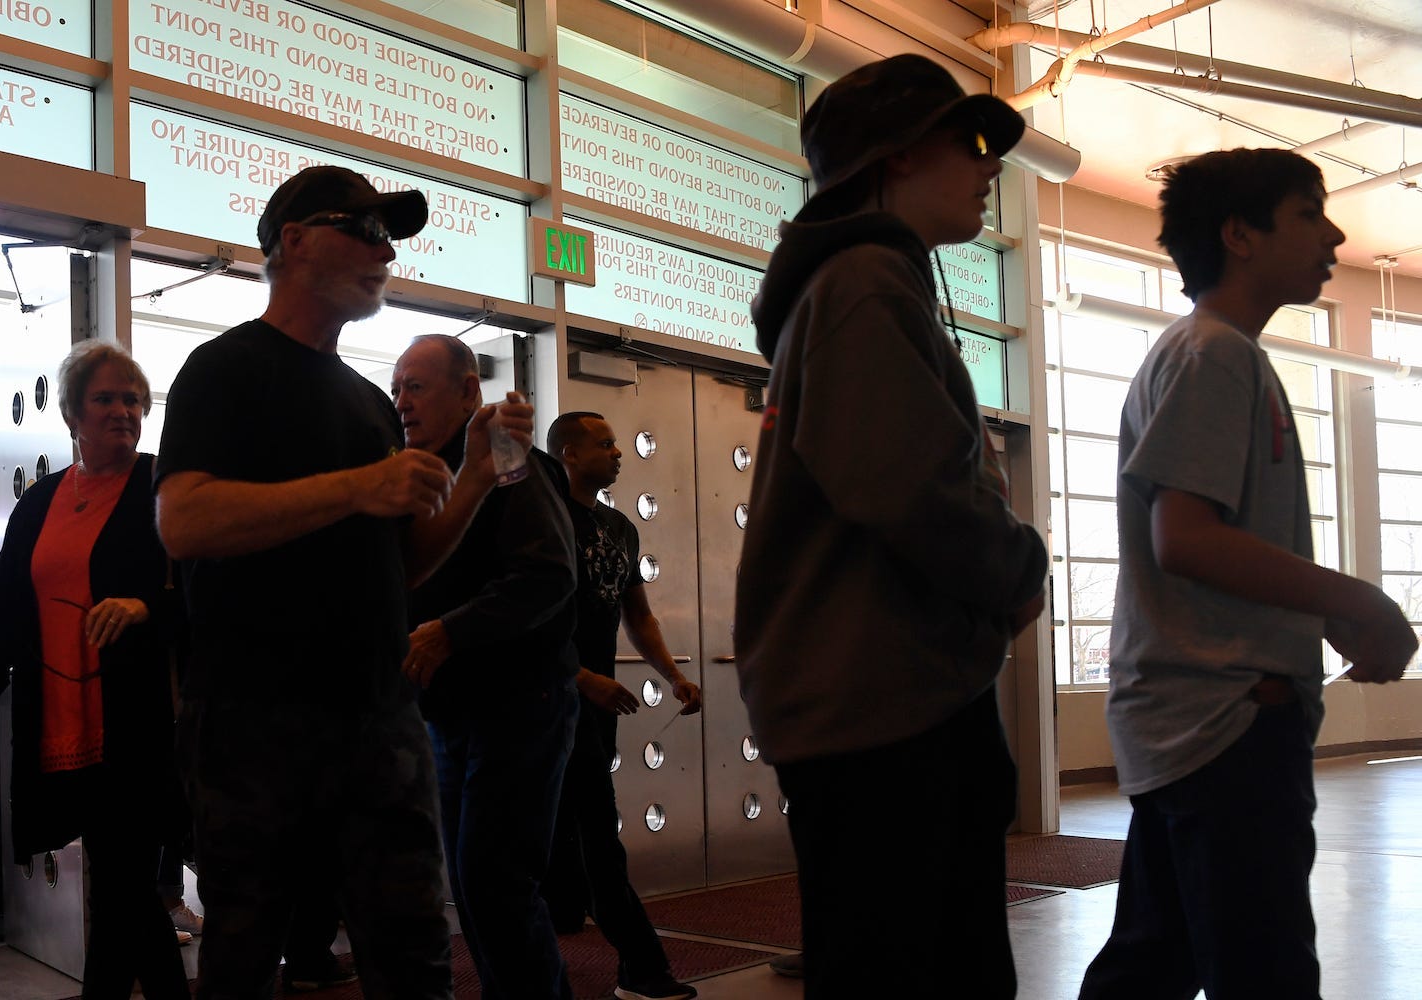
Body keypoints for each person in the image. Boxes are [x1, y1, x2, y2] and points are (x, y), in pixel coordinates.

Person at [154, 164, 533, 1000]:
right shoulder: (225, 370)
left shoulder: (364, 403)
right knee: (245, 955)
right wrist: (357, 488)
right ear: (291, 242)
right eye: (361, 230)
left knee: (413, 955)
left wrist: (469, 476)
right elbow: (184, 520)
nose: (382, 252)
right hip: (255, 718)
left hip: (376, 715)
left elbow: (397, 570)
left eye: (388, 238)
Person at [732, 54, 1048, 999]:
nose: (991, 166)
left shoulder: (863, 283)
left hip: (882, 697)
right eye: (973, 142)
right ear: (900, 156)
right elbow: (911, 492)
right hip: (881, 708)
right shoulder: (867, 282)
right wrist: (1021, 571)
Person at [1076, 148, 1416, 1000]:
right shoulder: (1213, 355)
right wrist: (1358, 599)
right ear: (1240, 235)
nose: (1334, 232)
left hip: (1204, 719)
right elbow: (1185, 539)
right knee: (1260, 972)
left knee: (1155, 962)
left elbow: (1214, 542)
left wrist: (1314, 616)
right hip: (1223, 723)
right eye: (1308, 212)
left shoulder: (1219, 356)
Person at [0, 341, 189, 999]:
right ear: (72, 415)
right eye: (105, 399)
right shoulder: (39, 501)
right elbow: (4, 601)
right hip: (56, 721)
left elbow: (205, 592)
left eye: (132, 400)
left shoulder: (161, 487)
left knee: (123, 880)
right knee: (121, 888)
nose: (122, 411)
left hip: (135, 719)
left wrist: (146, 607)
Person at [395, 334, 579, 1000]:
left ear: (470, 392)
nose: (402, 402)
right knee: (473, 887)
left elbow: (549, 573)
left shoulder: (503, 455)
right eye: (396, 388)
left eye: (416, 386)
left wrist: (449, 632)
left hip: (519, 706)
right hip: (451, 716)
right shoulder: (418, 470)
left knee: (494, 882)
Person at [543, 411, 701, 1000]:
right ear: (568, 455)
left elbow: (637, 613)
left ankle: (571, 926)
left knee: (577, 831)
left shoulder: (619, 528)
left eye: (616, 444)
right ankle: (642, 964)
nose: (617, 453)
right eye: (604, 444)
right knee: (591, 840)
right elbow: (525, 620)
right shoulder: (544, 519)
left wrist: (673, 675)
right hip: (547, 702)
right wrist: (581, 677)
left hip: (595, 709)